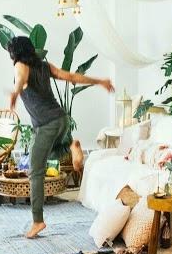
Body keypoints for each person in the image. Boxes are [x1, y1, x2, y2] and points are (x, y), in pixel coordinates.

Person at [7, 36, 114, 238]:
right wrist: (99, 81)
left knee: (35, 171)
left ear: (15, 53)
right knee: (48, 154)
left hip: (47, 124)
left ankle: (37, 221)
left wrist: (15, 92)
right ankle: (70, 146)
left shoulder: (20, 65)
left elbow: (20, 78)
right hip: (61, 119)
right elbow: (70, 76)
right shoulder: (45, 66)